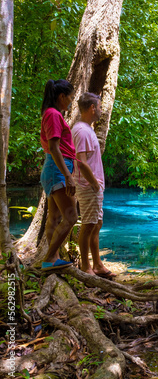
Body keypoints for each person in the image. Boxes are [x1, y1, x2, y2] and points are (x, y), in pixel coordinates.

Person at [40, 80, 98, 271]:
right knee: (71, 217)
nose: (72, 102)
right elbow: (55, 148)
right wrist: (68, 175)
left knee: (55, 217)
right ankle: (49, 259)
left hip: (55, 168)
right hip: (58, 168)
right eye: (71, 97)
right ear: (62, 96)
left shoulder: (52, 114)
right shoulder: (54, 114)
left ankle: (53, 257)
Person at [72, 92, 115, 278]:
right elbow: (81, 161)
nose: (100, 110)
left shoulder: (86, 129)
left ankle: (97, 264)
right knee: (88, 225)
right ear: (91, 108)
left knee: (97, 223)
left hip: (93, 186)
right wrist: (94, 184)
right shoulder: (82, 131)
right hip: (88, 186)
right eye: (99, 107)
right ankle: (85, 267)